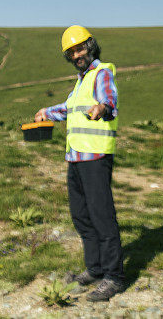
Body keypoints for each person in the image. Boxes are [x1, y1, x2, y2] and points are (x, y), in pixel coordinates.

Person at [34, 25, 125, 301]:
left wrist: (102, 109)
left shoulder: (101, 74)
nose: (77, 54)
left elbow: (110, 102)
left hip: (95, 157)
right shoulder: (81, 81)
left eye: (81, 48)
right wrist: (45, 112)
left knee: (102, 216)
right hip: (76, 157)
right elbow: (69, 108)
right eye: (71, 52)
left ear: (91, 46)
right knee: (81, 216)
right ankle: (95, 268)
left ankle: (114, 277)